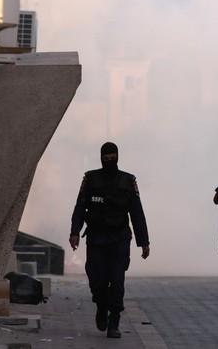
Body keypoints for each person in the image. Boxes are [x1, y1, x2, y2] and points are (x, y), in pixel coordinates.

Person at [69, 142, 150, 339]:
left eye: (112, 158)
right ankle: (101, 305)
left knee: (117, 282)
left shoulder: (128, 181)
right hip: (96, 238)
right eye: (106, 158)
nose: (109, 161)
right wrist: (74, 232)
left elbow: (136, 212)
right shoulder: (91, 179)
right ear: (101, 158)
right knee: (97, 281)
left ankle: (114, 321)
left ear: (117, 157)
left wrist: (144, 242)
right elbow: (80, 206)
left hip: (119, 239)